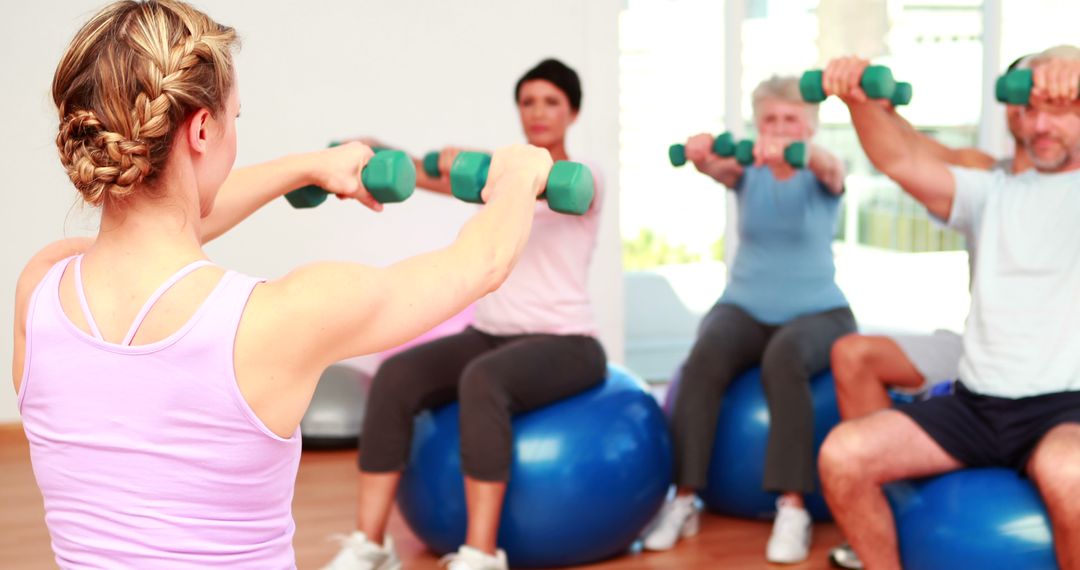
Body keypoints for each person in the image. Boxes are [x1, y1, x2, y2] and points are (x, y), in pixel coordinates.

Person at [14, 1, 554, 568]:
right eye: (235, 118)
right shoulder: (277, 320)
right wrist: (516, 177)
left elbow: (151, 228)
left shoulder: (39, 290)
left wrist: (307, 167)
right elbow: (484, 261)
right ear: (202, 129)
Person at [323, 59, 607, 570]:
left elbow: (535, 182)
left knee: (483, 382)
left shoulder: (582, 180)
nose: (538, 112)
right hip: (491, 333)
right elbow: (420, 171)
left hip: (567, 343)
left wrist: (481, 163)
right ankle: (370, 543)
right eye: (528, 102)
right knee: (394, 375)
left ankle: (481, 553)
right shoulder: (497, 181)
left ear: (574, 112)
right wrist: (372, 152)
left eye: (551, 102)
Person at [817, 46, 1080, 570]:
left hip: (1064, 408)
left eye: (1062, 107)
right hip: (977, 405)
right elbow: (900, 158)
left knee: (1070, 476)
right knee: (842, 456)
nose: (1042, 123)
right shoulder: (992, 190)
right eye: (1031, 108)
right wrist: (858, 100)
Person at [642, 75, 855, 564]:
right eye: (770, 120)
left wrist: (801, 155)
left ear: (810, 125)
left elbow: (830, 166)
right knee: (702, 359)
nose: (780, 128)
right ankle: (684, 499)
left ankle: (793, 507)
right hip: (744, 307)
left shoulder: (822, 169)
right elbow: (716, 166)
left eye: (791, 119)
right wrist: (699, 152)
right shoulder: (748, 170)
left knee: (784, 359)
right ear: (757, 126)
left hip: (820, 312)